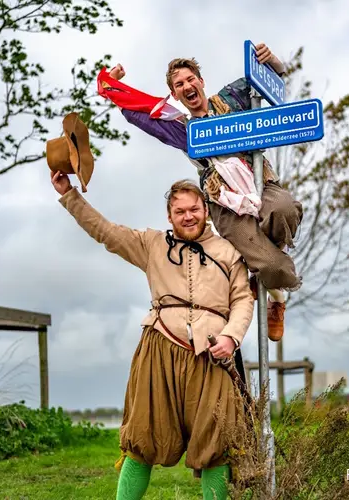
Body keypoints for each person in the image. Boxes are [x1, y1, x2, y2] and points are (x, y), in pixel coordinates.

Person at [52, 170, 254, 500]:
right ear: (170, 216)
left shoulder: (228, 251)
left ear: (205, 209)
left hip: (212, 355)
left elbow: (243, 299)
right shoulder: (152, 244)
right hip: (159, 348)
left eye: (194, 209)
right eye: (180, 211)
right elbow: (106, 232)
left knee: (216, 441)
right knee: (141, 437)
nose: (188, 216)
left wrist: (231, 337)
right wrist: (69, 195)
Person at [100, 42, 302, 342]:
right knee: (269, 263)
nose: (186, 86)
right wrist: (111, 85)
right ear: (175, 93)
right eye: (179, 84)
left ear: (201, 81)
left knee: (284, 208)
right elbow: (138, 114)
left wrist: (271, 57)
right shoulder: (180, 126)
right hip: (223, 199)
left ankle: (258, 264)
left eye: (190, 79)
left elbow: (272, 75)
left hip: (258, 178)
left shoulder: (230, 98)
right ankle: (277, 297)